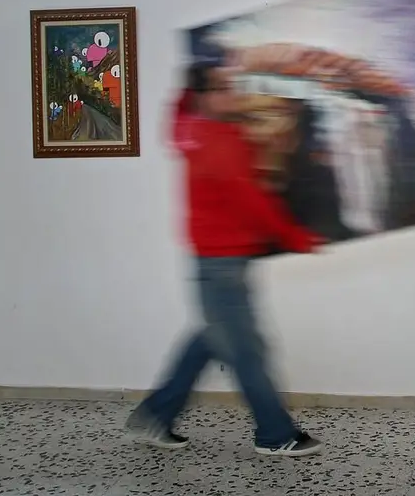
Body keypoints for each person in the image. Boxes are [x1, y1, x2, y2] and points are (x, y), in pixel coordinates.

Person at [124, 61, 324, 457]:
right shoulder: (219, 139)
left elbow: (177, 113)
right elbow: (249, 198)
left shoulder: (189, 130)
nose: (234, 94)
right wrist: (293, 235)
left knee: (210, 340)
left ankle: (155, 415)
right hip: (224, 261)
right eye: (223, 88)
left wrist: (186, 91)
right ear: (206, 97)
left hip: (212, 257)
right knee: (247, 350)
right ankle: (275, 433)